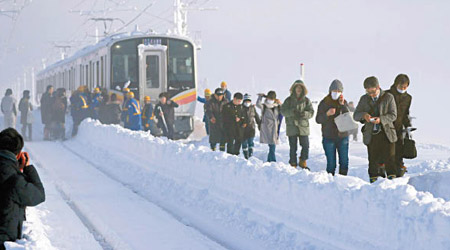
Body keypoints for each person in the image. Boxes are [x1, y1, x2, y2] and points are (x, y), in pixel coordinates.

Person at [0, 128, 45, 250]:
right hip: (4, 241)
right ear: (19, 154)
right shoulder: (15, 180)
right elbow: (39, 195)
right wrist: (27, 168)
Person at [354, 76, 398, 183]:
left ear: (378, 87)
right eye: (368, 92)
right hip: (371, 134)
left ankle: (392, 184)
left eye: (373, 91)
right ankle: (374, 184)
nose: (371, 94)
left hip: (387, 133)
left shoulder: (388, 97)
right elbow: (355, 115)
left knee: (390, 159)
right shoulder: (364, 99)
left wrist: (381, 119)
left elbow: (393, 115)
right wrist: (364, 115)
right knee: (373, 160)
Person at [316, 80, 350, 176]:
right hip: (328, 137)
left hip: (342, 136)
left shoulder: (344, 103)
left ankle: (342, 180)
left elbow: (348, 117)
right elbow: (318, 119)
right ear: (330, 91)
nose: (336, 93)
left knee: (344, 162)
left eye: (338, 91)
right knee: (331, 164)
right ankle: (330, 183)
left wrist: (343, 105)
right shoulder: (324, 103)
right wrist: (327, 114)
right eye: (334, 91)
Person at [281, 80, 314, 169]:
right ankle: (293, 163)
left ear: (303, 89)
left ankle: (303, 160)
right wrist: (292, 112)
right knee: (293, 147)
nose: (298, 89)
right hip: (292, 126)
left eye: (300, 88)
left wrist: (304, 114)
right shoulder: (288, 100)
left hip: (303, 127)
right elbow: (283, 111)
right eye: (297, 87)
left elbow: (311, 112)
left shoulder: (307, 101)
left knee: (306, 145)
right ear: (294, 89)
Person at [386, 74, 412, 177]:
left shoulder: (408, 98)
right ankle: (387, 171)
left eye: (405, 87)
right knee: (389, 150)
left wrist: (408, 125)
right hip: (387, 127)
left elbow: (406, 113)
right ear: (396, 84)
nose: (403, 89)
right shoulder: (387, 95)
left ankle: (399, 169)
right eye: (401, 86)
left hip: (399, 127)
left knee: (399, 149)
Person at [256, 91, 282, 162]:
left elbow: (283, 111)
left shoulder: (277, 107)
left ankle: (269, 160)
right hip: (267, 128)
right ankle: (273, 161)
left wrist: (280, 103)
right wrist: (260, 97)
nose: (270, 100)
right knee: (272, 145)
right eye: (269, 98)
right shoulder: (264, 106)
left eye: (272, 99)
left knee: (272, 145)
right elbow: (258, 104)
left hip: (275, 128)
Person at [242, 94, 260, 159]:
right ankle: (246, 156)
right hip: (243, 129)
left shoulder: (252, 108)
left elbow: (257, 117)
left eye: (249, 101)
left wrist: (259, 124)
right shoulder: (240, 108)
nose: (247, 102)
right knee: (244, 144)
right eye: (246, 101)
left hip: (251, 128)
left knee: (250, 142)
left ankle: (250, 155)